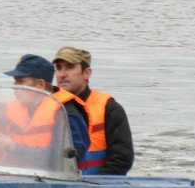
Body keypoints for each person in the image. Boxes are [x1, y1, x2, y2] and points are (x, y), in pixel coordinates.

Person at [0, 54, 90, 169]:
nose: (15, 87)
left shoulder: (65, 112)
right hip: (19, 175)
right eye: (15, 82)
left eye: (21, 82)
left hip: (53, 180)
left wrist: (15, 148)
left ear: (40, 85)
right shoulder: (16, 107)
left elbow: (67, 156)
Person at [53, 46, 134, 175]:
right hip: (52, 182)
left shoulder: (110, 108)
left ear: (87, 73)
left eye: (70, 67)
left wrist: (94, 185)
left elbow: (122, 159)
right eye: (59, 68)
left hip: (95, 185)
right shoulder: (47, 105)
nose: (62, 74)